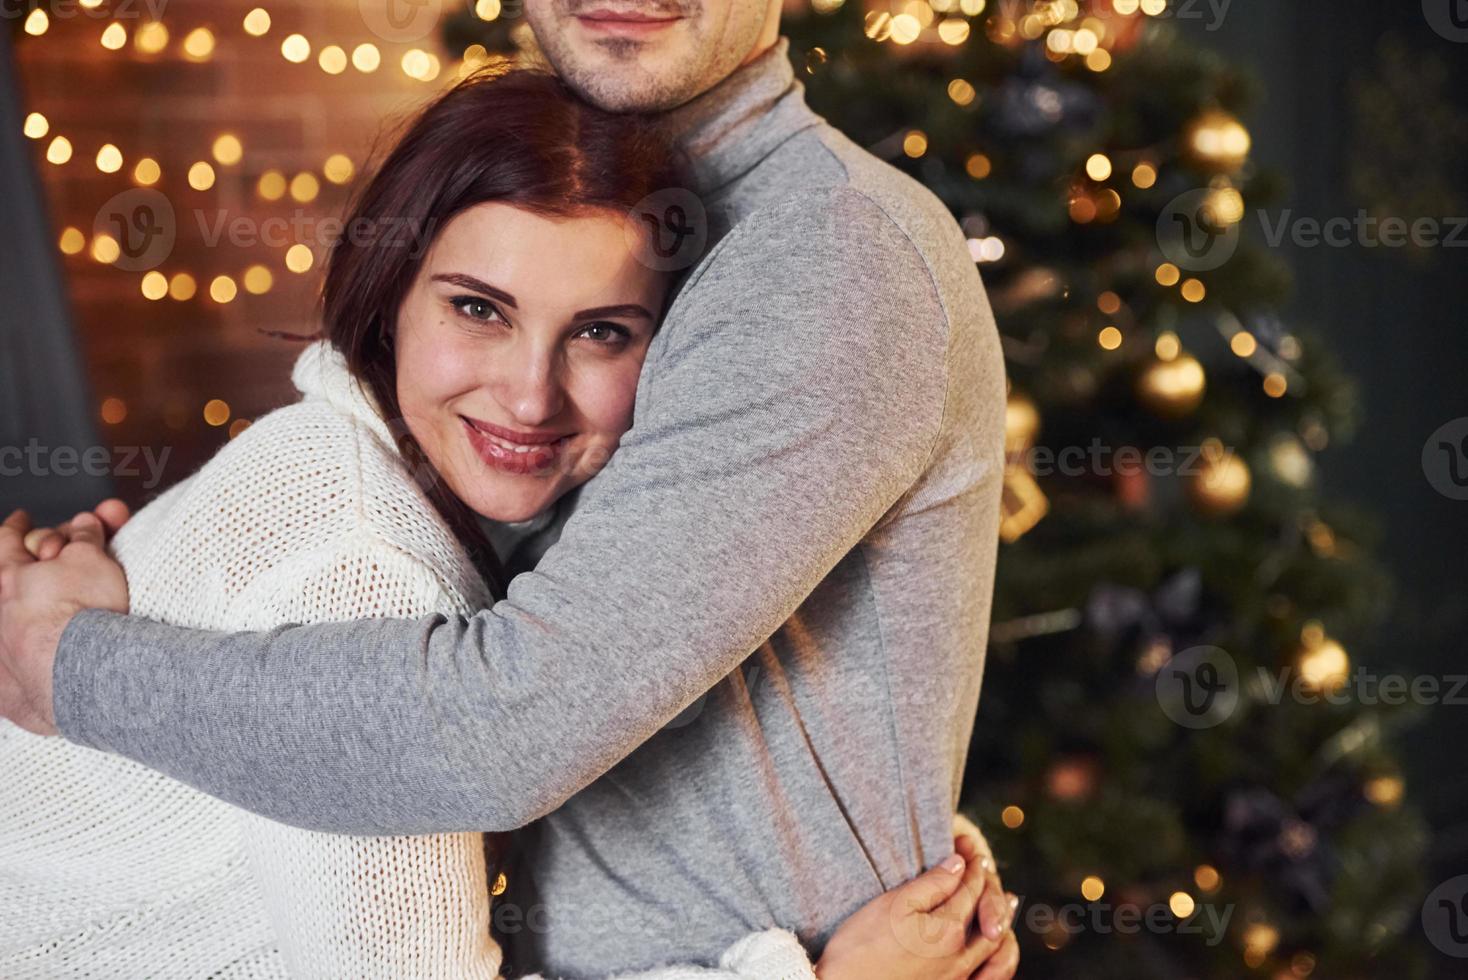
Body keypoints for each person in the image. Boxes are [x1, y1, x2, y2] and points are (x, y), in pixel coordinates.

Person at [0, 0, 1014, 976]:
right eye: (480, 309)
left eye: (603, 331)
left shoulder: (821, 254)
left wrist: (70, 666)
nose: (530, 393)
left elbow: (508, 719)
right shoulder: (367, 531)